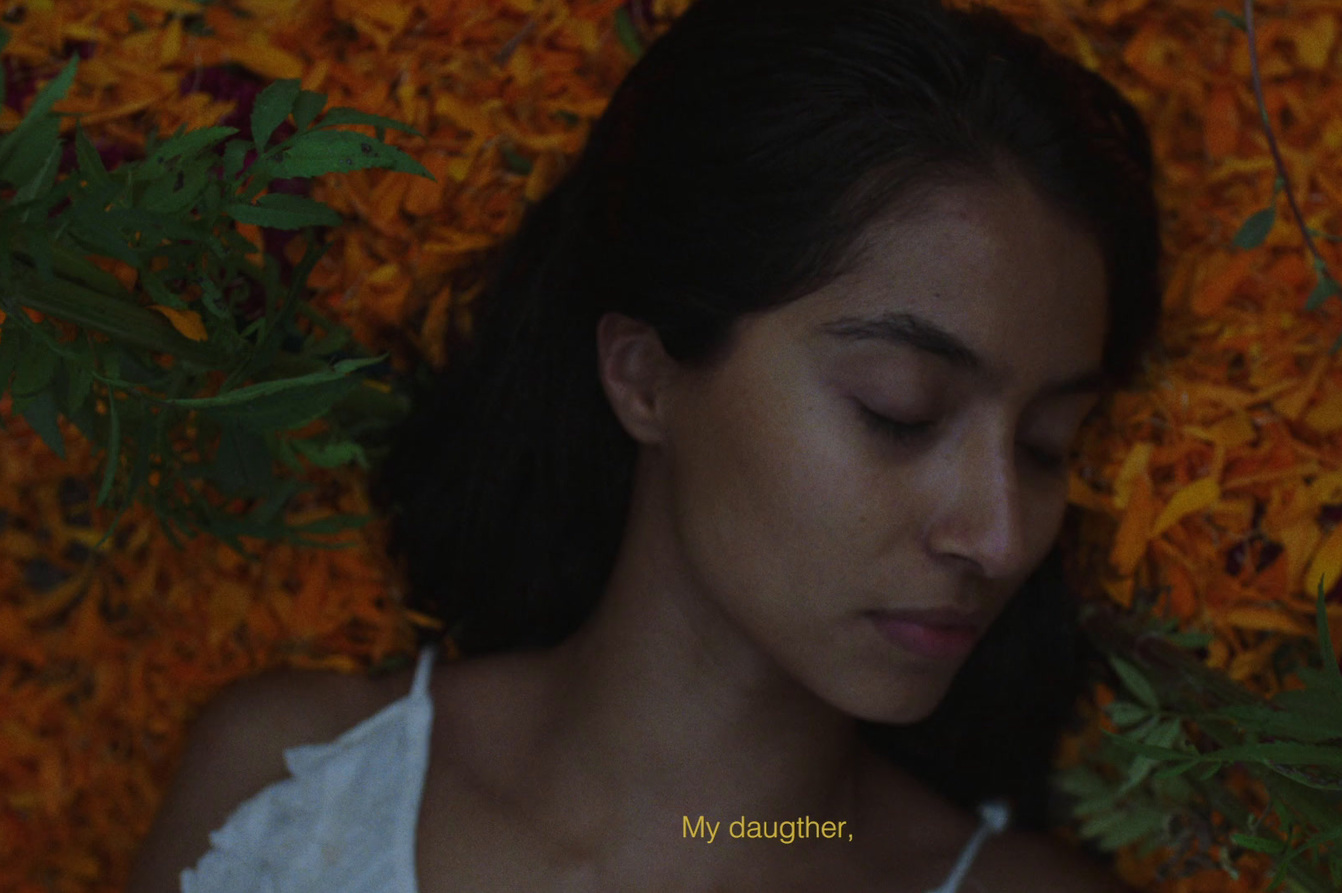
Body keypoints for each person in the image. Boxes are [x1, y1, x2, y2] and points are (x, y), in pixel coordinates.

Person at [125, 0, 1163, 889]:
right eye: (901, 409)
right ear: (645, 374)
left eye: (1044, 442)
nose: (998, 533)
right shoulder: (290, 789)